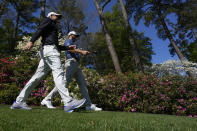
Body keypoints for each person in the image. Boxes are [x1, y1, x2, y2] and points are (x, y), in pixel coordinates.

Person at [10, 12, 86, 112]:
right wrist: (31, 41)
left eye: (59, 17)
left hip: (47, 52)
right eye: (57, 16)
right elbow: (40, 30)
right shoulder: (48, 21)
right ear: (51, 16)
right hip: (51, 52)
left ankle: (19, 101)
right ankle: (68, 102)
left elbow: (56, 45)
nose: (58, 18)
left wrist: (67, 47)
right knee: (59, 74)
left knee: (36, 78)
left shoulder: (52, 27)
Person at [41, 31, 102, 111]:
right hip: (71, 63)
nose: (76, 37)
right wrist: (81, 52)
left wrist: (81, 52)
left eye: (77, 36)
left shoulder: (73, 43)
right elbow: (70, 50)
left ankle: (88, 105)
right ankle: (47, 99)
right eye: (75, 35)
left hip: (76, 64)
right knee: (64, 82)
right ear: (70, 35)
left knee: (83, 84)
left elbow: (72, 51)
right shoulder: (68, 41)